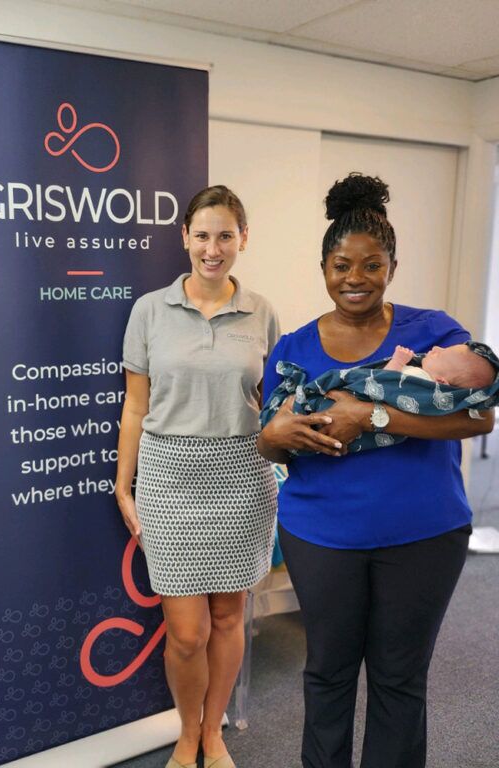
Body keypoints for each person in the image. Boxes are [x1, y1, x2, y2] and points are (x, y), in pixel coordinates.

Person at [256, 172, 494, 768]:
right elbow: (271, 442)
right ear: (324, 267)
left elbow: (477, 420)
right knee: (328, 675)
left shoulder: (434, 330)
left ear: (392, 265)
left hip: (424, 535)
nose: (354, 279)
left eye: (370, 265)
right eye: (341, 265)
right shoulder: (292, 347)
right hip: (321, 537)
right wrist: (272, 437)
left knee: (398, 679)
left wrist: (373, 418)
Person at [116, 185, 279, 768]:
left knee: (229, 616)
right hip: (170, 478)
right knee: (186, 632)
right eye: (202, 235)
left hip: (240, 474)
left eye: (225, 236)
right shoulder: (149, 310)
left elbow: (272, 399)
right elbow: (136, 405)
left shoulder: (262, 312)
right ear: (184, 237)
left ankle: (214, 731)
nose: (213, 248)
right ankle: (188, 730)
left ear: (242, 239)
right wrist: (122, 483)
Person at [261, 340, 499, 454]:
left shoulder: (420, 379)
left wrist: (362, 416)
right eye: (342, 266)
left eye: (441, 354)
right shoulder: (294, 341)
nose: (435, 349)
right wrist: (272, 434)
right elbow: (265, 445)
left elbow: (384, 384)